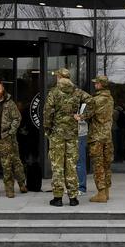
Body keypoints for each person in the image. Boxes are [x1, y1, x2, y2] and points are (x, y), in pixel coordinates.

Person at [44, 68, 89, 206]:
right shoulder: (77, 91)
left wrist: (47, 129)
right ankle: (73, 198)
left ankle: (58, 198)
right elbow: (91, 102)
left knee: (57, 166)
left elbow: (48, 113)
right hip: (72, 135)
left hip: (57, 134)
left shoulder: (54, 92)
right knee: (71, 165)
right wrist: (82, 116)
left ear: (59, 77)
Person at [84, 74, 115, 203]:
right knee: (107, 164)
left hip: (96, 137)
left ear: (101, 84)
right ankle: (106, 191)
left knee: (98, 165)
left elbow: (87, 115)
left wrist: (78, 116)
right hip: (107, 136)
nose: (95, 84)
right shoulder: (110, 98)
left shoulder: (95, 100)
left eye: (97, 83)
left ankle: (101, 193)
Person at [77, 111, 88, 195]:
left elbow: (89, 116)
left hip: (81, 134)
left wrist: (80, 118)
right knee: (71, 162)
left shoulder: (85, 103)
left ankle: (81, 187)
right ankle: (73, 185)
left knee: (80, 161)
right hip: (70, 133)